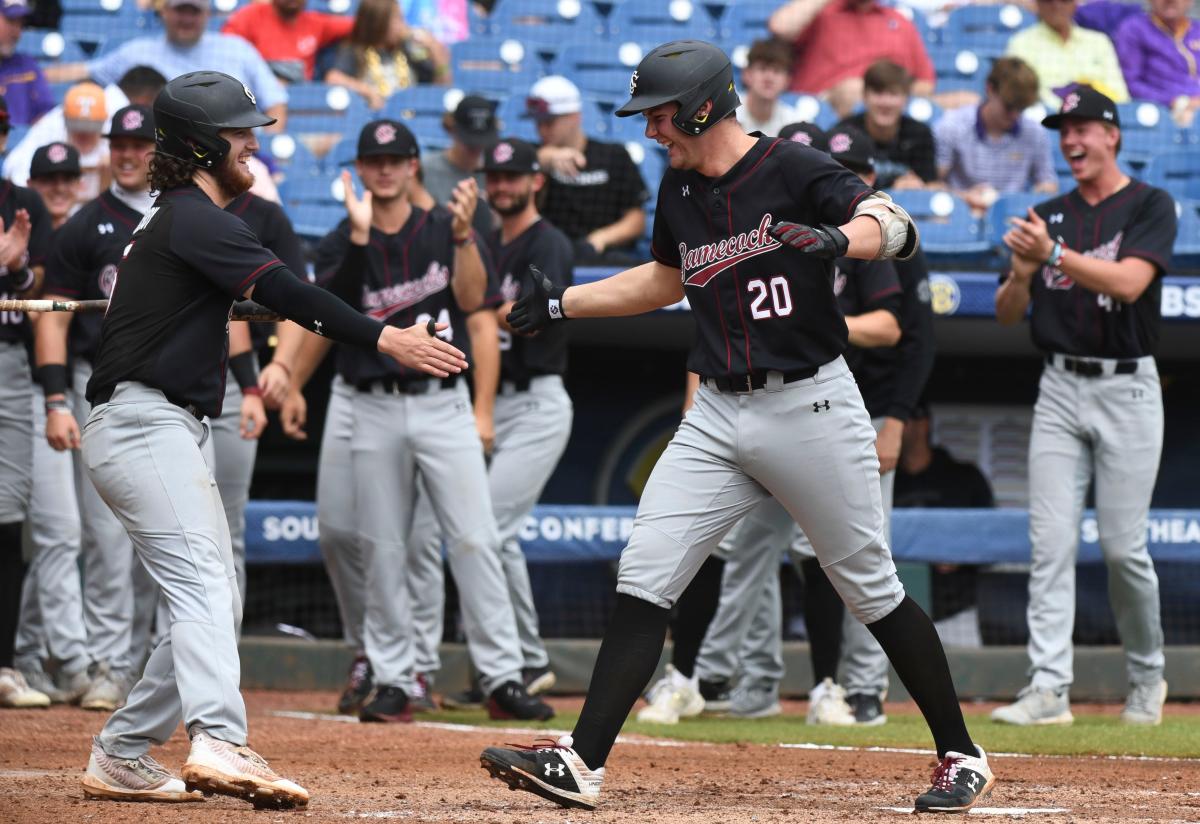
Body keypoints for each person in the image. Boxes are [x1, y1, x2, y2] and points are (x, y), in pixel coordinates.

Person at [480, 40, 995, 814]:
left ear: (699, 106)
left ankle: (962, 754)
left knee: (870, 587)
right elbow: (665, 276)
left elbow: (892, 221)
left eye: (659, 115)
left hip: (810, 403)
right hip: (720, 409)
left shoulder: (790, 166)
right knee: (645, 571)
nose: (652, 131)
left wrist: (837, 238)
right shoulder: (679, 188)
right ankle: (582, 764)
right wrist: (563, 304)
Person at [76, 70, 468, 806]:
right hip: (141, 421)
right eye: (237, 132)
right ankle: (220, 737)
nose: (253, 141)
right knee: (203, 584)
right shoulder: (195, 216)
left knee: (210, 591)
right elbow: (291, 294)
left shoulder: (180, 218)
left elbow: (245, 300)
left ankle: (124, 751)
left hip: (152, 425)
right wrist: (387, 338)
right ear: (198, 144)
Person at [281, 119, 553, 725]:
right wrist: (354, 240)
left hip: (442, 402)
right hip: (372, 403)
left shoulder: (443, 227)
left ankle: (504, 676)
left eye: (395, 158)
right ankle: (394, 677)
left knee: (476, 537)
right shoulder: (338, 240)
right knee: (381, 545)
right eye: (374, 159)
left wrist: (462, 238)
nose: (384, 168)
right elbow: (327, 314)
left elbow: (479, 301)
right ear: (360, 168)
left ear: (412, 167)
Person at [992, 85, 1176, 727]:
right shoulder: (1049, 214)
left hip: (1127, 385)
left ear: (1112, 134)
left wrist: (1052, 256)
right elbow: (1008, 312)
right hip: (1060, 386)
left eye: (1082, 128)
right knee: (1050, 545)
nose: (1071, 140)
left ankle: (1148, 676)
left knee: (1125, 550)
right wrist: (1021, 271)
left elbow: (1129, 283)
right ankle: (1048, 687)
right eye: (1062, 130)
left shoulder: (1152, 204)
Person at [18, 106, 157, 714]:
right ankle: (103, 662)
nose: (127, 153)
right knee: (97, 533)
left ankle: (123, 657)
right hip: (93, 382)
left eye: (139, 143)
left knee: (139, 534)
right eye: (118, 143)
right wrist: (55, 396)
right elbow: (51, 313)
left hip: (163, 388)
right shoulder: (85, 223)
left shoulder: (180, 215)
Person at [439, 138, 575, 707]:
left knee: (486, 528)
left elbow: (533, 320)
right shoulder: (486, 239)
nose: (502, 186)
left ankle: (519, 661)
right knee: (497, 536)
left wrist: (481, 303)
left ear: (535, 181)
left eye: (514, 176)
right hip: (490, 397)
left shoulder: (551, 243)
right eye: (494, 176)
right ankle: (520, 663)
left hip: (537, 400)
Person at [0, 92, 53, 710]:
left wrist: (13, 271)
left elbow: (39, 281)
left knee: (8, 518)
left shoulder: (24, 201)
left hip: (10, 362)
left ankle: (6, 664)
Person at [48, 0, 288, 131]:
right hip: (160, 153)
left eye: (193, 11)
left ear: (207, 15)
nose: (186, 18)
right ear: (164, 12)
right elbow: (87, 71)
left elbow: (275, 101)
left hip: (230, 149)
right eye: (179, 10)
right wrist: (30, 76)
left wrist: (266, 142)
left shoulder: (237, 49)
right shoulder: (138, 51)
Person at [893, 403, 994, 647]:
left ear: (922, 424)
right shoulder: (884, 479)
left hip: (955, 612)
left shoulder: (962, 476)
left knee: (968, 682)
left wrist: (959, 552)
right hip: (893, 612)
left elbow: (992, 538)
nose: (893, 429)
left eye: (901, 421)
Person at [527, 75, 648, 265]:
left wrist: (600, 239)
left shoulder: (613, 156)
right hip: (548, 256)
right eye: (537, 122)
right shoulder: (531, 157)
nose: (542, 130)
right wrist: (545, 158)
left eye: (549, 122)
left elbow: (636, 220)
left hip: (603, 256)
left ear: (575, 116)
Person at [3, 67, 164, 190]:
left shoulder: (116, 115)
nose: (84, 134)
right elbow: (14, 168)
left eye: (91, 128)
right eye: (78, 127)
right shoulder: (54, 124)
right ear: (65, 119)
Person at [768, 0, 934, 117]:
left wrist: (888, 92)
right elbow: (780, 27)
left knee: (958, 100)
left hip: (885, 104)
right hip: (821, 103)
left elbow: (926, 83)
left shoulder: (898, 21)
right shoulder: (823, 13)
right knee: (854, 89)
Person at [934, 57, 1057, 214]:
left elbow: (1047, 184)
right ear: (990, 89)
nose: (1015, 115)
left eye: (1021, 108)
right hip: (961, 215)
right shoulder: (952, 126)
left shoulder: (1035, 133)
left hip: (1012, 219)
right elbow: (932, 186)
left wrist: (1037, 195)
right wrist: (964, 197)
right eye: (1009, 106)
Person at [324, 0, 447, 110]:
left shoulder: (408, 49)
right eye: (397, 19)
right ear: (378, 22)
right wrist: (368, 92)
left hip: (409, 118)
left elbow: (439, 89)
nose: (402, 25)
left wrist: (437, 55)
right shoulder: (355, 50)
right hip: (371, 118)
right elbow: (333, 78)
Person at [1006, 0, 1129, 108]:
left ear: (1075, 3)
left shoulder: (1099, 42)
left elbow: (1119, 95)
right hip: (1045, 123)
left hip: (1096, 123)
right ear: (1037, 3)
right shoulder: (1021, 43)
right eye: (1048, 0)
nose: (1056, 5)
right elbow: (1020, 94)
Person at [834, 60, 936, 190]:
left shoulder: (919, 134)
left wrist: (918, 186)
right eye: (878, 93)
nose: (886, 103)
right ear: (865, 96)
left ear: (906, 99)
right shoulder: (844, 134)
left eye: (893, 94)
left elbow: (931, 183)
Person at [416, 93, 497, 240]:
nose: (475, 147)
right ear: (451, 130)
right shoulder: (424, 169)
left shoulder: (499, 174)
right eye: (469, 141)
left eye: (481, 140)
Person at [222, 0, 354, 84]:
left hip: (301, 99)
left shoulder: (316, 23)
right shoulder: (251, 16)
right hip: (257, 97)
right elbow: (225, 50)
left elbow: (362, 25)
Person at [1112, 0, 1200, 125]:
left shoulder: (1197, 30)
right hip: (1157, 114)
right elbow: (1129, 82)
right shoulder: (1135, 29)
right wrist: (1176, 102)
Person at [0, 0, 53, 126]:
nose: (17, 33)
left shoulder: (27, 65)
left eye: (21, 24)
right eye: (11, 21)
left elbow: (46, 116)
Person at [734, 39, 798, 137]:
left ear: (787, 80)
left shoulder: (793, 124)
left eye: (777, 71)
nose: (769, 78)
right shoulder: (728, 117)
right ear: (747, 75)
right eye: (762, 69)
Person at [25, 143, 83, 228]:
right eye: (48, 179)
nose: (60, 188)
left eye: (67, 180)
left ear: (79, 185)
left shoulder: (90, 234)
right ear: (30, 185)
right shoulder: (10, 232)